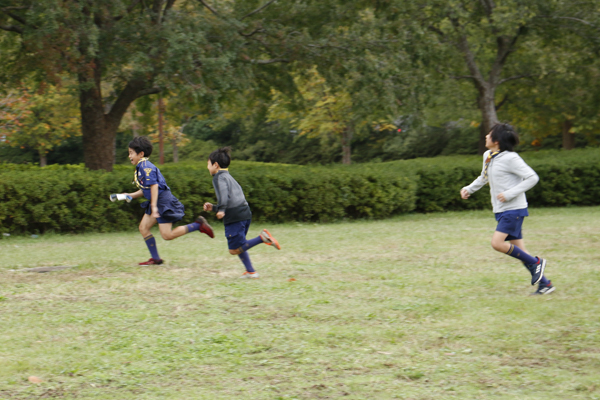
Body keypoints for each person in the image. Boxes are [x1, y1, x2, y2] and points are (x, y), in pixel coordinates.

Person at [460, 124, 555, 295]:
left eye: (489, 135)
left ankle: (537, 262)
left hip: (514, 209)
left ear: (496, 141)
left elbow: (532, 177)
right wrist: (469, 188)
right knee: (520, 251)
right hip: (501, 209)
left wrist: (510, 193)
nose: (485, 137)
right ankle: (545, 285)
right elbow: (484, 177)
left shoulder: (511, 158)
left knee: (497, 243)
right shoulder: (488, 156)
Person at [112, 136, 214, 265]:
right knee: (143, 228)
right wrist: (130, 195)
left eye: (131, 153)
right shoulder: (141, 166)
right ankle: (156, 259)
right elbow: (147, 189)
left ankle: (198, 225)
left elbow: (154, 186)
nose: (129, 156)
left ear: (141, 154)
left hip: (162, 201)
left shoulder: (145, 167)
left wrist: (154, 207)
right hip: (157, 200)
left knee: (167, 235)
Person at [203, 147, 281, 278]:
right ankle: (251, 271)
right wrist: (214, 208)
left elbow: (223, 195)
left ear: (215, 165)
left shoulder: (218, 178)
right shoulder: (229, 177)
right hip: (244, 214)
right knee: (240, 245)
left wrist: (221, 209)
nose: (207, 167)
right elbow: (232, 198)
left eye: (208, 164)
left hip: (234, 217)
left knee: (233, 250)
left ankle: (262, 238)